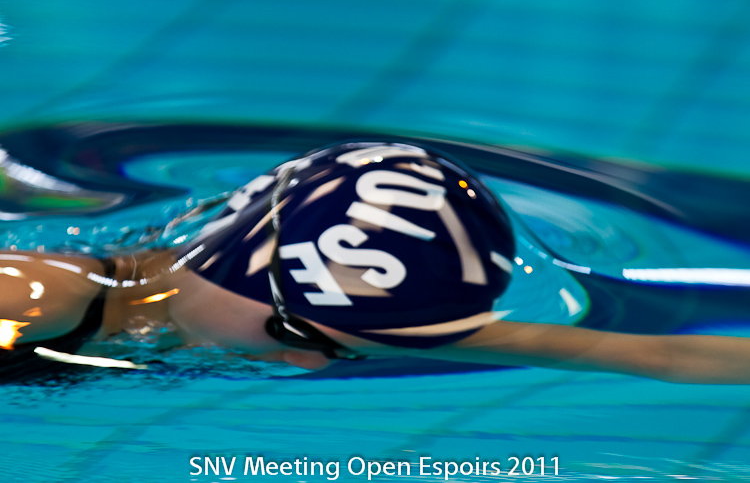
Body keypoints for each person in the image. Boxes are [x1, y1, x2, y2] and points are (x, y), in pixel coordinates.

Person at [2, 141, 750, 384]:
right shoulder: (35, 295)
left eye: (351, 347)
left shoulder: (361, 318)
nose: (308, 363)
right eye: (298, 333)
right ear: (219, 266)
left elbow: (655, 354)